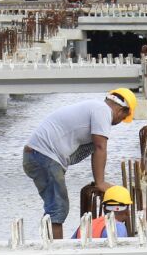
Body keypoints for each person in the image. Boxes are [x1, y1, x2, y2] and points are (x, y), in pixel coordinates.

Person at [22, 88, 137, 239]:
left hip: (39, 155)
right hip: (44, 155)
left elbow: (94, 148)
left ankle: (51, 248)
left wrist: (97, 180)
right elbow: (100, 147)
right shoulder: (103, 111)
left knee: (55, 207)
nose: (119, 122)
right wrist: (101, 182)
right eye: (123, 118)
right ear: (122, 110)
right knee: (58, 208)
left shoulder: (94, 108)